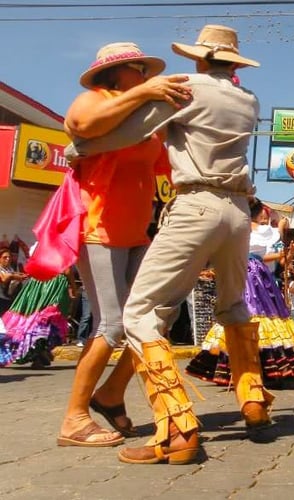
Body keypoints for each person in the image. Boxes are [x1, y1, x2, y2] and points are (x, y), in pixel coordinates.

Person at [67, 24, 272, 465]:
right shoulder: (248, 99)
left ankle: (177, 429)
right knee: (234, 307)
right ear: (234, 62)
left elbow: (128, 135)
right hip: (238, 212)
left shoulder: (187, 86)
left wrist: (81, 148)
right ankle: (253, 402)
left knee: (138, 314)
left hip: (196, 205)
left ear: (200, 57)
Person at [52, 41, 187, 448]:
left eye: (146, 71)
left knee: (160, 313)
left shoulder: (142, 119)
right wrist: (145, 93)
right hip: (99, 231)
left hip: (136, 233)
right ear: (115, 73)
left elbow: (167, 163)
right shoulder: (93, 101)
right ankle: (73, 420)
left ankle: (110, 395)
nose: (145, 75)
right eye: (137, 69)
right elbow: (84, 127)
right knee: (111, 326)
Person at [186, 198, 294, 384]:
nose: (266, 218)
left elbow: (271, 257)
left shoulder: (241, 228)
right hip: (252, 273)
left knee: (242, 313)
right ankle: (255, 364)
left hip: (245, 269)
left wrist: (289, 251)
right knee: (256, 313)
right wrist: (282, 226)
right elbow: (274, 238)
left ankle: (243, 364)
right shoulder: (261, 230)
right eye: (264, 214)